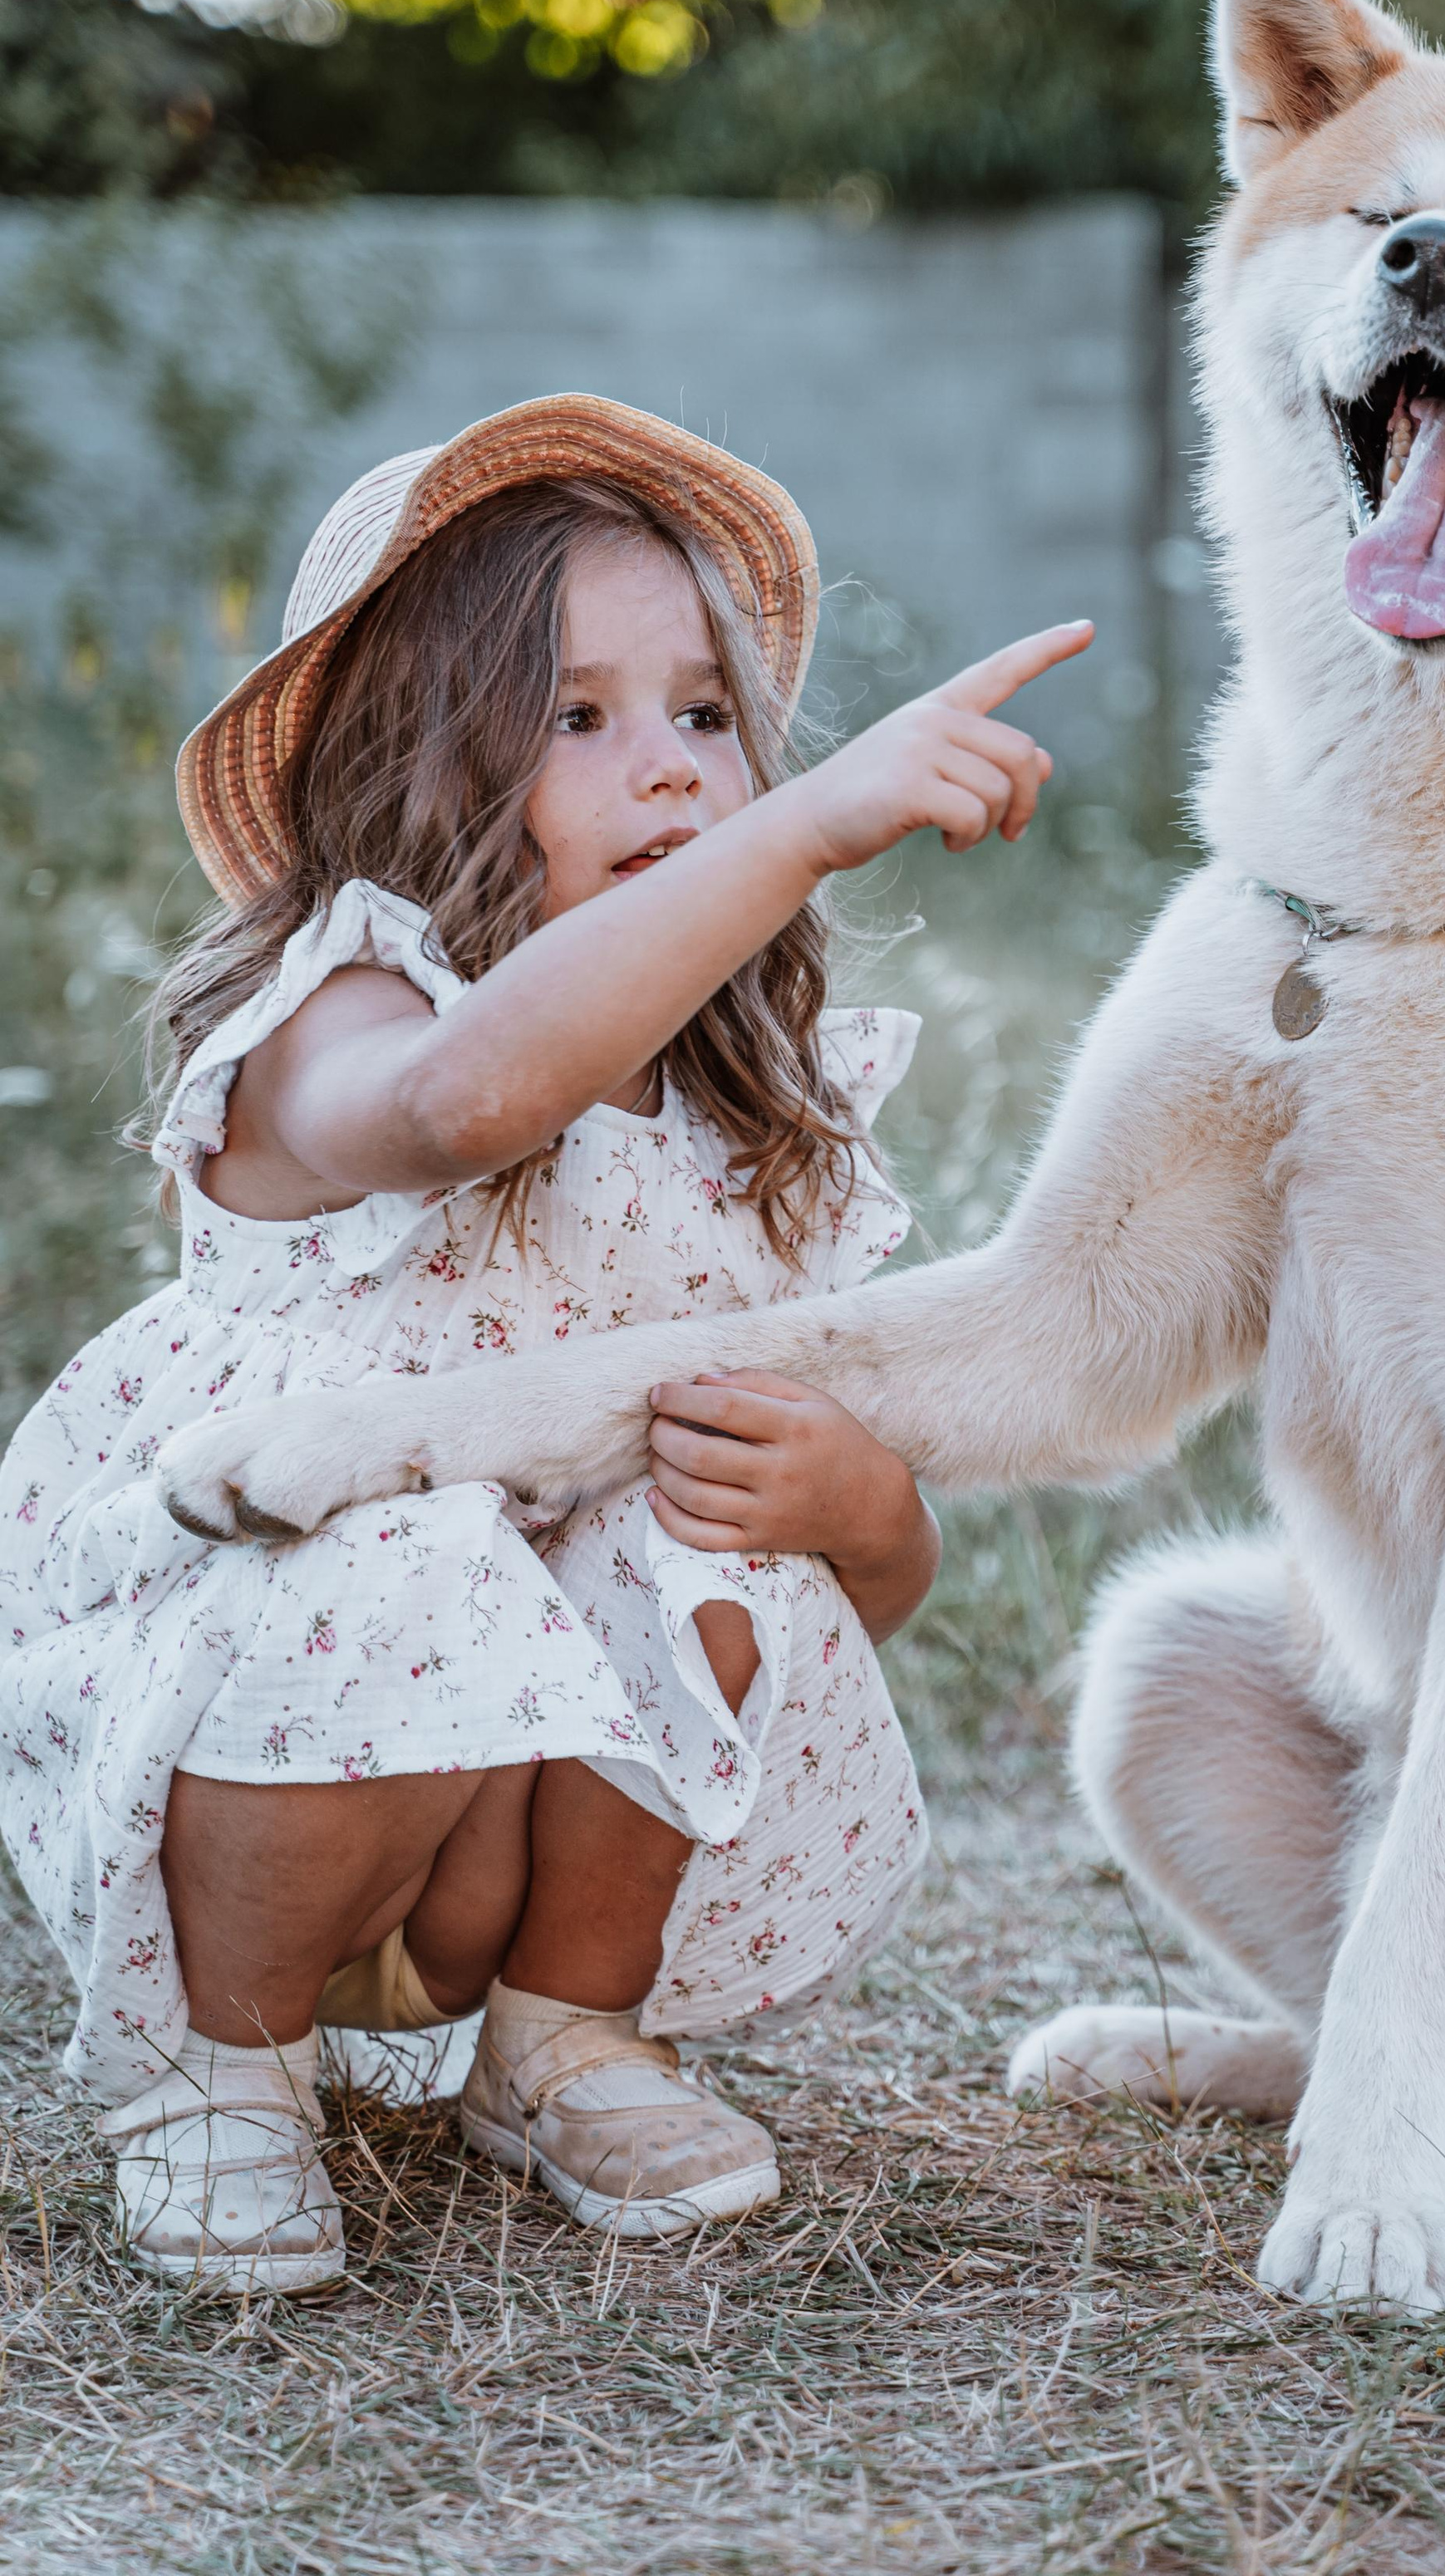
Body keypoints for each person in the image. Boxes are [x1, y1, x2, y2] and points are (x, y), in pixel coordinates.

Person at [0, 392, 1090, 2294]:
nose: (670, 775)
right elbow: (474, 1102)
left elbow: (865, 1603)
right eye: (577, 720)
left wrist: (856, 1504)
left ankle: (562, 2035)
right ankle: (219, 2066)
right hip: (281, 1763)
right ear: (410, 768)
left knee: (705, 1534)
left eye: (703, 718)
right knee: (399, 1552)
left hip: (519, 1830)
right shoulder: (340, 1014)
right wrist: (813, 826)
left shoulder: (750, 1119)